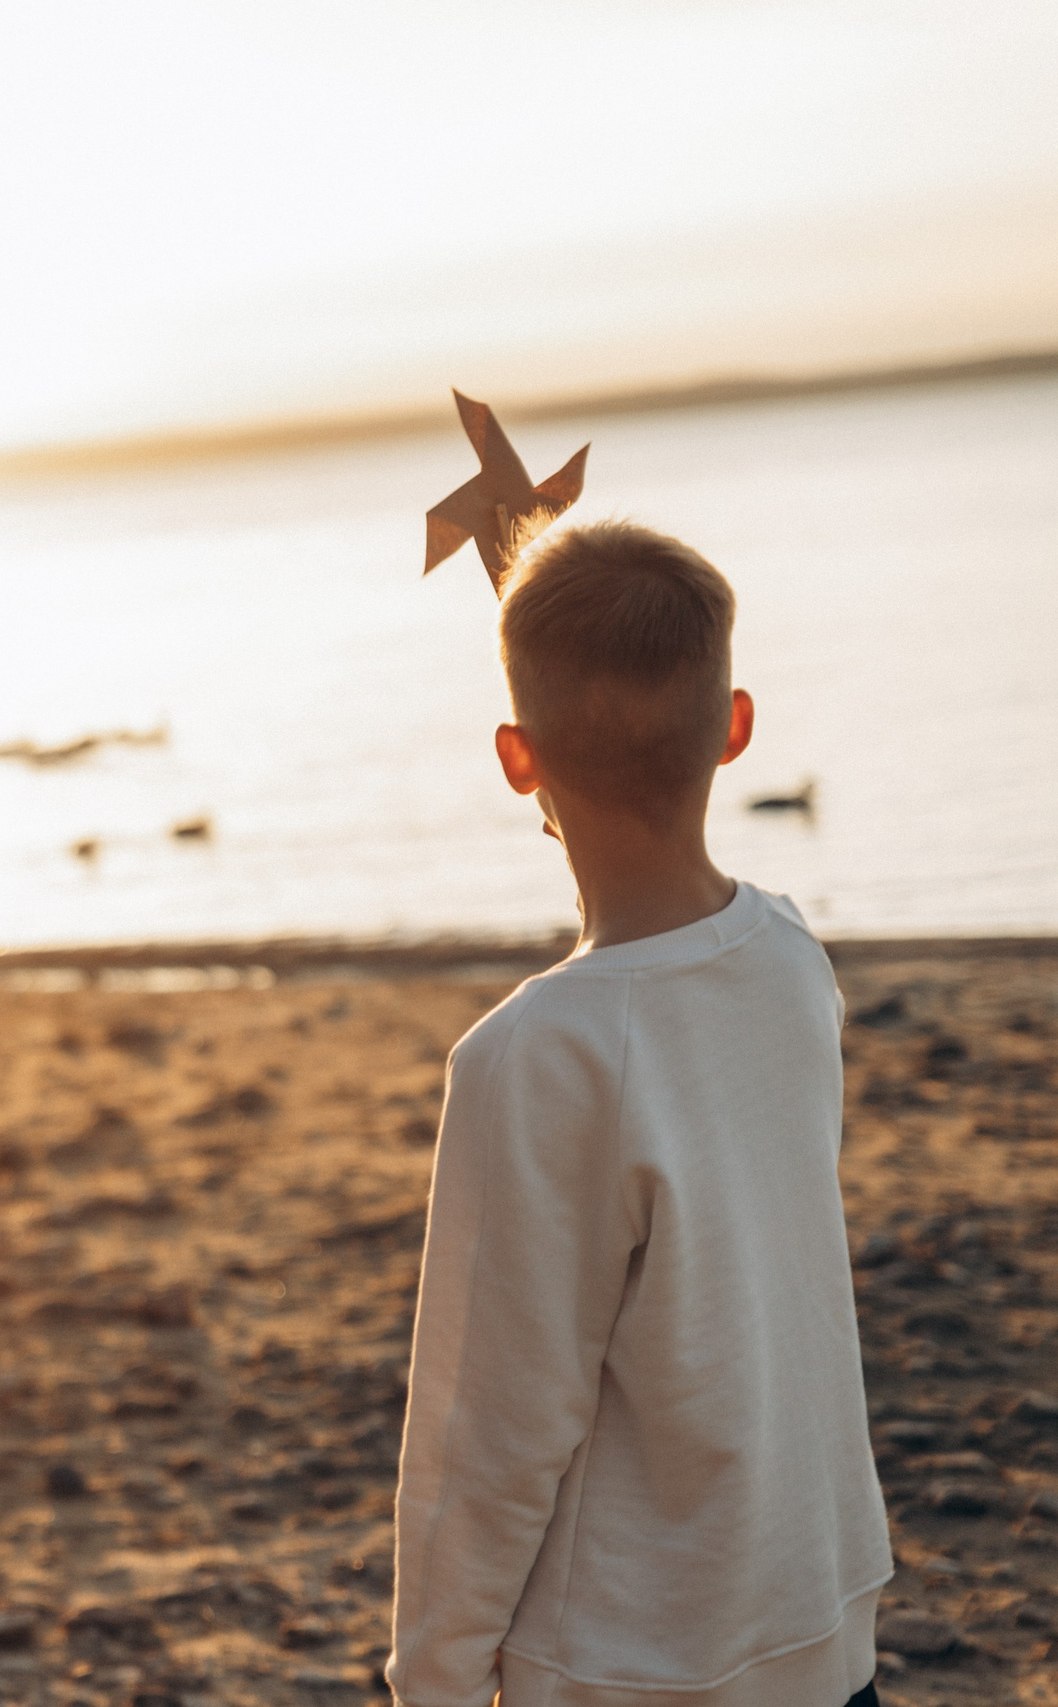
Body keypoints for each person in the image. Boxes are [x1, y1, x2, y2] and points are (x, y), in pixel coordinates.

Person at [387, 522, 891, 1707]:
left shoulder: (528, 1061)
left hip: (633, 1671)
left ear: (518, 758)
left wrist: (437, 1684)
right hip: (818, 1631)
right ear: (734, 727)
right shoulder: (790, 958)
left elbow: (488, 1437)